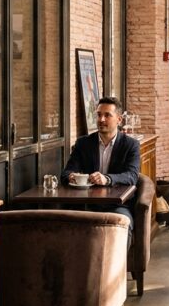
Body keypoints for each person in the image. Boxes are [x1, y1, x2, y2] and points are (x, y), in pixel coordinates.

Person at [60, 96, 141, 242]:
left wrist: (107, 178)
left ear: (119, 120)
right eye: (98, 115)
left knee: (122, 227)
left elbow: (132, 176)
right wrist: (72, 176)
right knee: (63, 224)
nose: (101, 119)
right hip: (85, 203)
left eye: (107, 115)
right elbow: (66, 173)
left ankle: (119, 265)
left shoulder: (131, 145)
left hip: (117, 205)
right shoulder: (83, 143)